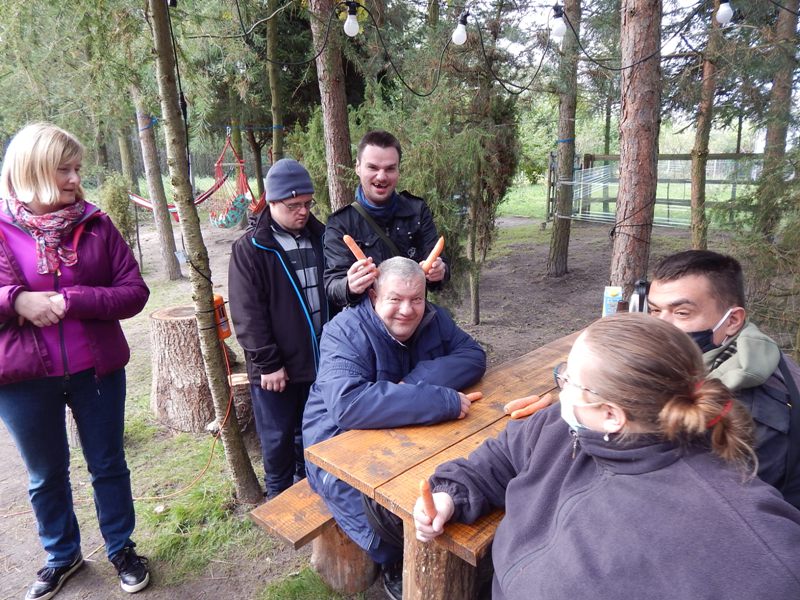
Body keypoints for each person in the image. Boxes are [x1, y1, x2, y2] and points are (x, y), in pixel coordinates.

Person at [413, 313, 800, 600]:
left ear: (612, 414)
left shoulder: (743, 536)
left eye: (568, 380)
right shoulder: (563, 425)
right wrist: (451, 494)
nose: (559, 389)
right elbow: (501, 455)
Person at [0, 123, 151, 599]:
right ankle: (62, 556)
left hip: (97, 372)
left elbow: (134, 291)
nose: (74, 179)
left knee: (108, 464)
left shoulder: (97, 224)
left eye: (77, 169)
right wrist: (15, 300)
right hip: (23, 379)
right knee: (45, 474)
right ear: (32, 170)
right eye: (63, 169)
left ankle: (121, 548)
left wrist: (76, 298)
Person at [303, 257, 486, 600]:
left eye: (416, 299)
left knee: (455, 479)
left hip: (401, 432)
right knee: (385, 522)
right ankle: (393, 562)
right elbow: (348, 405)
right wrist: (438, 400)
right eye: (395, 299)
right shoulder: (344, 331)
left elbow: (473, 355)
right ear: (374, 296)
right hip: (335, 446)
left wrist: (414, 384)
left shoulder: (434, 319)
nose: (407, 310)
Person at [647, 250, 800, 508]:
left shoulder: (746, 410)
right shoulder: (748, 349)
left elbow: (720, 507)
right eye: (654, 310)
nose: (660, 327)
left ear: (732, 321)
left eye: (681, 313)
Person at [228, 158, 330, 499]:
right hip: (275, 371)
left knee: (313, 434)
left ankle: (311, 495)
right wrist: (268, 363)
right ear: (271, 203)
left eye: (307, 204)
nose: (302, 212)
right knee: (277, 439)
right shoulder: (250, 249)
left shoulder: (322, 238)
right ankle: (278, 501)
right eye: (293, 206)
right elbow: (246, 314)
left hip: (319, 362)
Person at [323, 130, 448, 308]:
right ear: (358, 167)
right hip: (366, 320)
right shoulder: (341, 223)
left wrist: (440, 272)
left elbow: (440, 268)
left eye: (390, 168)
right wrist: (349, 285)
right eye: (372, 168)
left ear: (398, 170)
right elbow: (332, 286)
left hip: (411, 315)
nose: (381, 176)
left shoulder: (417, 210)